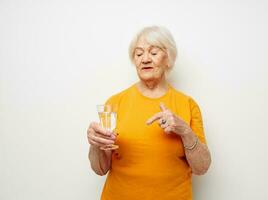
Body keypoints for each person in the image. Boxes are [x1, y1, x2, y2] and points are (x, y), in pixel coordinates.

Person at [87, 26, 211, 200]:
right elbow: (100, 169)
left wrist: (185, 131)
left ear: (168, 58)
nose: (145, 59)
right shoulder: (114, 103)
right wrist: (95, 144)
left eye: (153, 53)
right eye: (138, 54)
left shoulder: (187, 105)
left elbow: (202, 167)